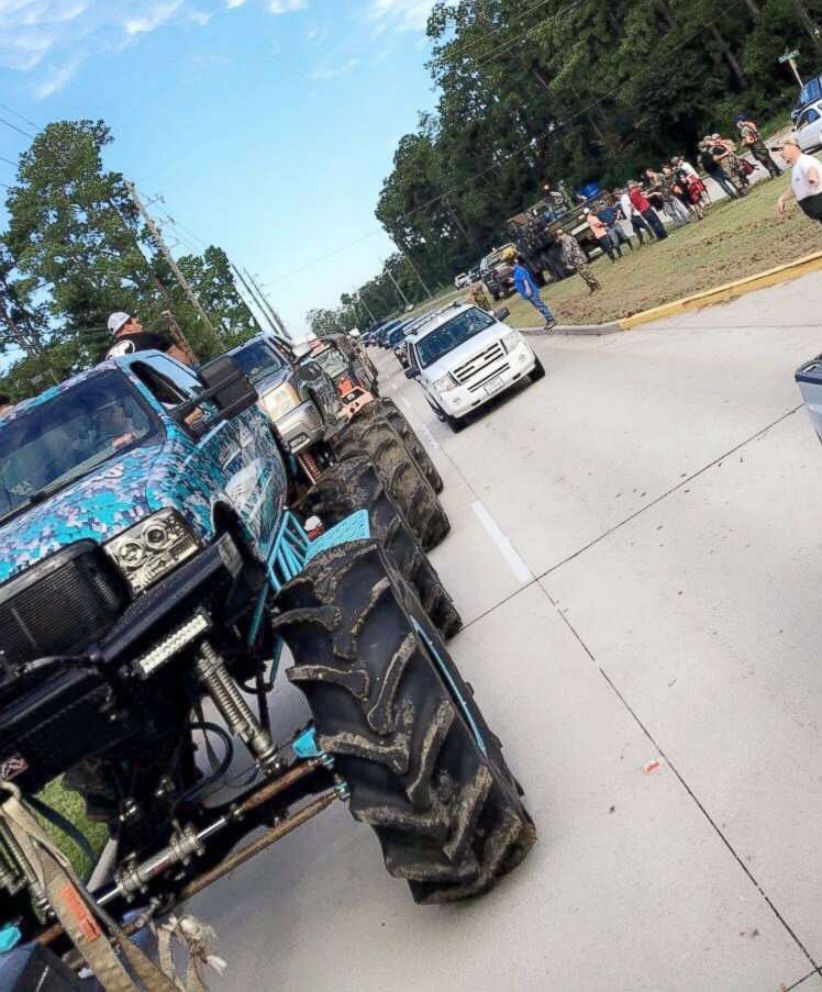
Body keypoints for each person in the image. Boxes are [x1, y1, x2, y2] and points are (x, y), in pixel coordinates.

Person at [106, 312, 191, 364]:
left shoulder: (106, 357)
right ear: (127, 326)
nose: (141, 326)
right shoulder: (148, 337)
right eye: (137, 323)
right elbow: (181, 359)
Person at [774, 135, 822, 224]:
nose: (780, 153)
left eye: (782, 149)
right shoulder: (797, 165)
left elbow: (811, 169)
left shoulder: (805, 161)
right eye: (779, 151)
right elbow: (796, 187)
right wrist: (782, 198)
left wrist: (813, 178)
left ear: (793, 146)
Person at [512, 255, 557, 329]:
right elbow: (519, 279)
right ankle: (548, 320)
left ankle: (551, 320)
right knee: (539, 307)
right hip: (529, 294)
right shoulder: (516, 271)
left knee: (540, 306)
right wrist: (513, 280)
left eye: (509, 267)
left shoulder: (518, 270)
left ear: (513, 264)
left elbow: (524, 280)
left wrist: (528, 289)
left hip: (531, 292)